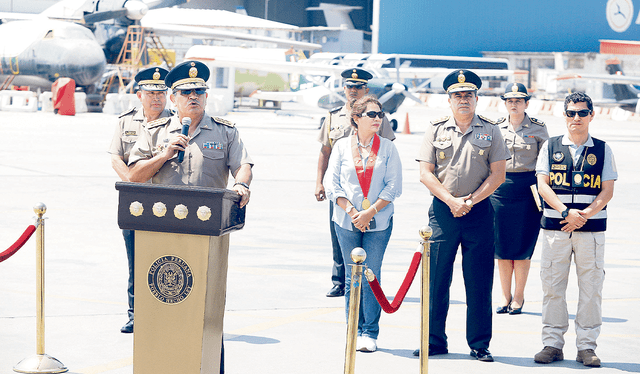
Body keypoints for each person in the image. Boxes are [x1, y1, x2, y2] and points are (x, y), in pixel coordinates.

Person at [128, 60, 253, 373]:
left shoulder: (225, 132)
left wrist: (241, 183)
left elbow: (243, 165)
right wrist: (164, 154)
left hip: (208, 236)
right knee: (165, 298)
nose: (193, 96)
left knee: (206, 307)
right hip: (161, 235)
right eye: (186, 92)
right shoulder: (155, 132)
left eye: (199, 90)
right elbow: (134, 176)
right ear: (173, 98)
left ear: (207, 96)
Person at [415, 70, 509, 362]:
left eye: (468, 95)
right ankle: (433, 341)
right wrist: (452, 201)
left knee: (479, 281)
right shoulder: (435, 129)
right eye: (458, 95)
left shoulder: (492, 130)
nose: (463, 100)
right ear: (449, 100)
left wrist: (469, 200)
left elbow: (498, 175)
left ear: (477, 98)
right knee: (436, 280)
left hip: (478, 211)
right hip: (443, 212)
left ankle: (479, 343)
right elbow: (425, 173)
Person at [533, 92, 616, 368]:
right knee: (553, 286)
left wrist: (584, 215)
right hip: (556, 230)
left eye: (582, 113)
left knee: (591, 289)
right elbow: (543, 185)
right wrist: (566, 212)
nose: (576, 118)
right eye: (571, 113)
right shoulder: (550, 146)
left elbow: (607, 191)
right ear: (564, 115)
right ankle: (552, 344)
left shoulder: (603, 149)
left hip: (591, 232)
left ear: (591, 114)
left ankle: (587, 347)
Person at [324, 95, 402, 353]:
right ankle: (353, 330)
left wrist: (369, 213)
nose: (378, 118)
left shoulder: (388, 148)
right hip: (346, 221)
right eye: (372, 114)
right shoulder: (342, 147)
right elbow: (331, 183)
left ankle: (370, 331)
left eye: (380, 114)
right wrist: (353, 211)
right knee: (351, 278)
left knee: (371, 276)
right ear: (356, 119)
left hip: (378, 222)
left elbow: (394, 186)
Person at [315, 68, 396, 298]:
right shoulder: (333, 116)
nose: (353, 91)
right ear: (344, 88)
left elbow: (387, 148)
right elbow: (325, 151)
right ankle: (340, 280)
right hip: (341, 188)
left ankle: (368, 281)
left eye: (358, 87)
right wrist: (319, 182)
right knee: (338, 233)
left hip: (372, 190)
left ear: (366, 90)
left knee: (370, 236)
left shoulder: (377, 117)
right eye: (350, 86)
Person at [107, 66, 171, 334]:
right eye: (151, 94)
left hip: (166, 201)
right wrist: (133, 183)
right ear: (139, 95)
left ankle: (165, 313)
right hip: (134, 202)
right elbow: (115, 157)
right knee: (136, 260)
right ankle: (135, 314)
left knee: (165, 260)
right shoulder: (126, 121)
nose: (157, 99)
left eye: (161, 94)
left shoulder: (176, 121)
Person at [491, 83, 549, 315]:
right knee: (502, 248)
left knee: (523, 248)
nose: (514, 104)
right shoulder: (495, 128)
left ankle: (519, 296)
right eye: (509, 100)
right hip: (500, 190)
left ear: (527, 103)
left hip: (528, 192)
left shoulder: (538, 128)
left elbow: (546, 163)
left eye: (518, 100)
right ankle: (505, 296)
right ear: (504, 103)